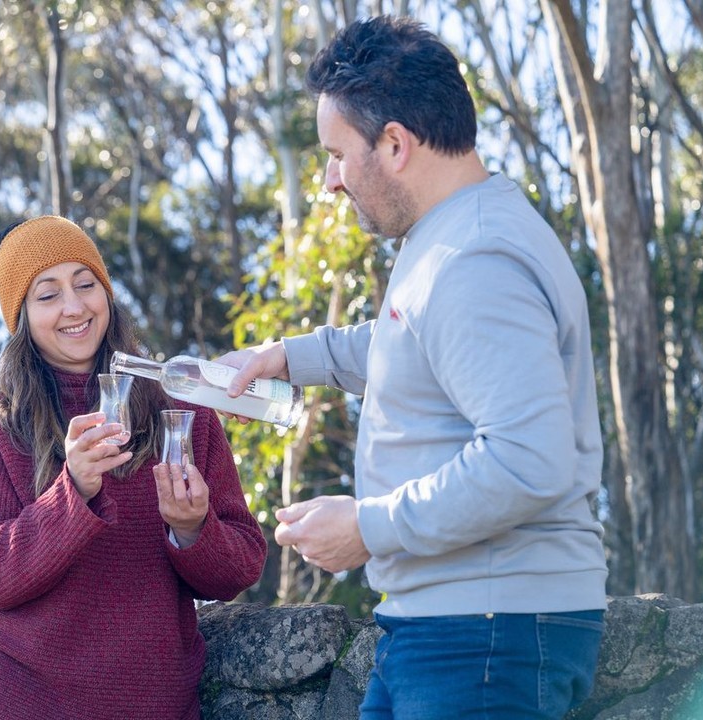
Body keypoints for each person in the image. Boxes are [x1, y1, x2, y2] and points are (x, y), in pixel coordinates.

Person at [221, 15, 608, 720]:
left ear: (395, 143)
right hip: (448, 629)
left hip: (487, 636)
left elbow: (528, 459)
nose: (332, 181)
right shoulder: (453, 239)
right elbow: (415, 345)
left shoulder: (474, 260)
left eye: (337, 155)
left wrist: (368, 527)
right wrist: (289, 357)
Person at [0, 215, 267, 720]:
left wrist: (193, 529)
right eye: (47, 294)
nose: (74, 307)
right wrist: (73, 491)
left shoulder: (183, 412)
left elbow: (238, 568)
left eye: (86, 284)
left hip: (142, 698)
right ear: (22, 318)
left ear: (107, 293)